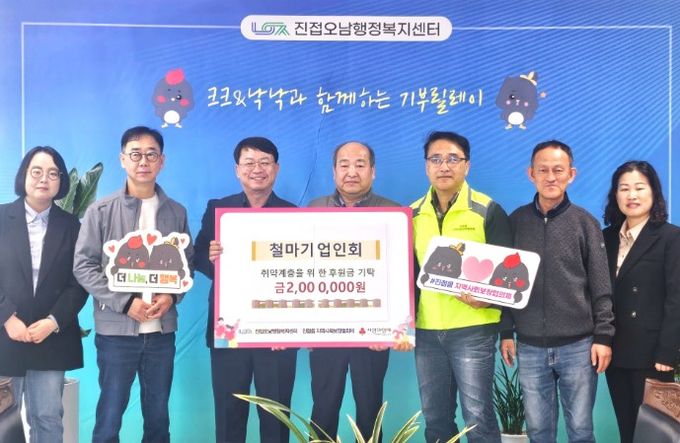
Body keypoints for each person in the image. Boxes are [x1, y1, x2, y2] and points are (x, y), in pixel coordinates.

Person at [73, 126, 193, 443]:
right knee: (109, 419)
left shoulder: (176, 212)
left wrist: (171, 296)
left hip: (161, 333)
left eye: (151, 154)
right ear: (122, 159)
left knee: (158, 419)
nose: (143, 161)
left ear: (162, 161)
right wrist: (125, 302)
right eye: (136, 154)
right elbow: (83, 265)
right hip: (116, 334)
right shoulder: (100, 211)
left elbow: (187, 264)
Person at [500, 140, 614, 443]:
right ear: (531, 174)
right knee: (538, 431)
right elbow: (503, 283)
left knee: (581, 431)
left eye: (558, 170)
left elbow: (601, 285)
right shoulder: (516, 221)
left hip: (579, 346)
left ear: (571, 174)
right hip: (529, 346)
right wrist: (506, 331)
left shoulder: (585, 223)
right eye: (543, 170)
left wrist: (603, 336)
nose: (551, 177)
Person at [194, 136, 297, 443]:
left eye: (265, 162)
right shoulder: (218, 208)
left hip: (276, 333)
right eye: (249, 162)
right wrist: (211, 258)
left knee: (276, 418)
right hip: (230, 329)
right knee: (229, 417)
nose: (257, 169)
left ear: (276, 168)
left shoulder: (293, 214)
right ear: (237, 169)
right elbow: (197, 256)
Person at [411, 131, 511, 443]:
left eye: (453, 159)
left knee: (478, 418)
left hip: (473, 331)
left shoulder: (487, 210)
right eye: (436, 159)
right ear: (426, 166)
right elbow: (406, 274)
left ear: (466, 165)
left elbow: (509, 276)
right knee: (435, 418)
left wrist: (489, 301)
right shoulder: (412, 214)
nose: (444, 166)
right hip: (427, 332)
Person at [308, 141, 400, 441]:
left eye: (360, 165)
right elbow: (302, 268)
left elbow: (402, 272)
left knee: (370, 409)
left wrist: (390, 328)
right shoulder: (314, 210)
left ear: (373, 171)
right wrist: (302, 325)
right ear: (334, 171)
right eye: (344, 164)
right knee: (323, 407)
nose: (351, 172)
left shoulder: (393, 213)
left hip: (373, 332)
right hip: (325, 329)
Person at [0, 146, 88, 443]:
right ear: (24, 175)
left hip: (51, 337)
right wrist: (7, 317)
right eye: (36, 171)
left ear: (61, 181)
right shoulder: (1, 217)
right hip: (5, 335)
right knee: (3, 419)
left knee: (48, 419)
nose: (43, 178)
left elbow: (79, 282)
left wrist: (53, 321)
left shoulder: (72, 226)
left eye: (52, 173)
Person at [602, 160, 680, 443]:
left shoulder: (671, 237)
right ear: (615, 195)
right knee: (627, 431)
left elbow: (676, 298)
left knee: (655, 435)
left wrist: (667, 353)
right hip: (615, 351)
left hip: (653, 355)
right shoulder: (607, 237)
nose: (631, 195)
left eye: (639, 187)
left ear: (654, 192)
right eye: (624, 188)